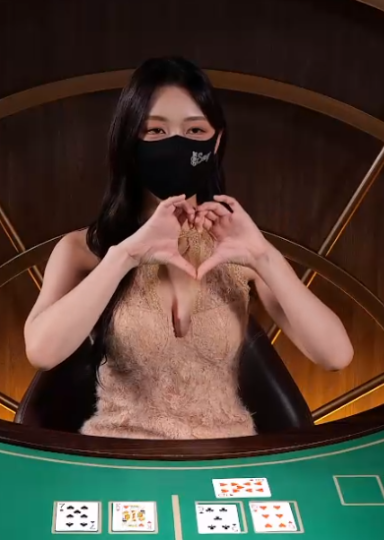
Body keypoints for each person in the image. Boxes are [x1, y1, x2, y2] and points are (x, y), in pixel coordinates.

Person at [23, 57, 354, 440]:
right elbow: (42, 352)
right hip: (119, 455)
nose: (176, 144)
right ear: (130, 141)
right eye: (156, 131)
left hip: (228, 457)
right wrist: (127, 255)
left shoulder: (238, 248)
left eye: (194, 130)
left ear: (216, 141)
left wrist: (264, 257)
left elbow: (335, 356)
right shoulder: (83, 249)